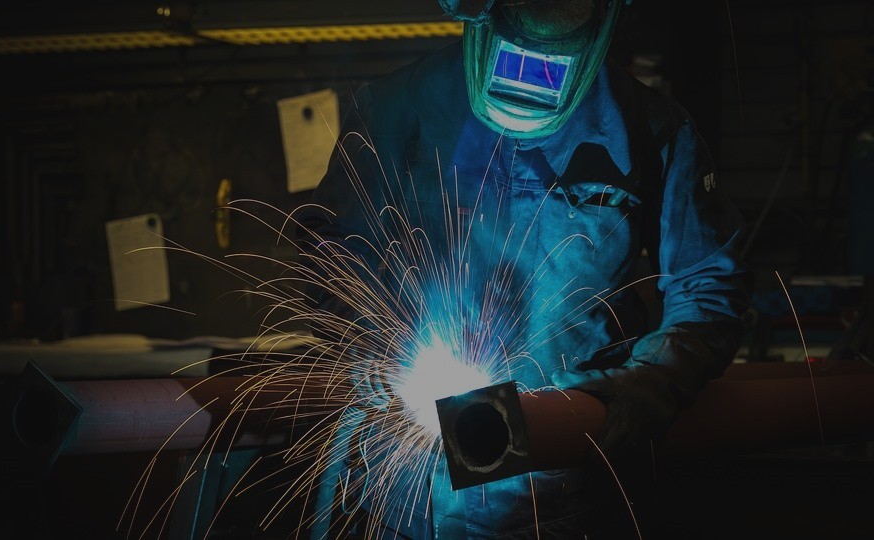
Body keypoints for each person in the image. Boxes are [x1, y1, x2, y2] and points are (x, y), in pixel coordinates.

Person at [295, 0, 754, 538]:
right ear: (484, 21)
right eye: (514, 59)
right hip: (410, 483)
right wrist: (367, 344)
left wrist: (651, 380)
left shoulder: (652, 130)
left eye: (550, 66)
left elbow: (709, 285)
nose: (529, 83)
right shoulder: (399, 106)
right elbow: (332, 250)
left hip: (561, 478)